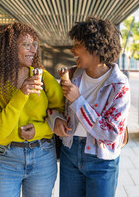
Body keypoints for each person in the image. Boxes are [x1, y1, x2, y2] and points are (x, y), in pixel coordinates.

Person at [0, 22, 64, 197]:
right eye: (26, 45)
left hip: (43, 155)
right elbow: (0, 130)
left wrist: (39, 130)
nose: (33, 50)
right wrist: (22, 93)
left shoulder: (43, 78)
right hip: (5, 159)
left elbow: (62, 115)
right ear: (7, 49)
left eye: (34, 44)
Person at [51, 17, 130, 197]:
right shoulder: (71, 75)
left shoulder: (119, 85)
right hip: (69, 154)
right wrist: (55, 119)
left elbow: (110, 134)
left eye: (77, 44)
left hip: (102, 160)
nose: (72, 50)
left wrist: (78, 100)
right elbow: (53, 108)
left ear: (95, 47)